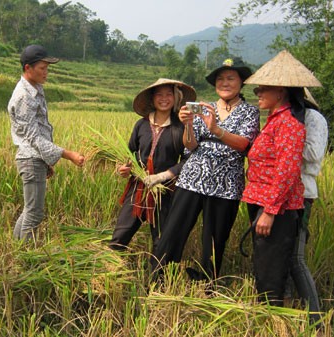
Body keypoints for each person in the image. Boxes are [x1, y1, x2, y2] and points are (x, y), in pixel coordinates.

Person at [152, 59, 260, 281]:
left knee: (214, 239)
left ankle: (205, 283)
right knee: (174, 230)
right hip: (193, 177)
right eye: (220, 79)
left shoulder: (250, 112)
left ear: (241, 82)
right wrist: (189, 124)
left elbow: (244, 145)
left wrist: (215, 129)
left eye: (231, 78)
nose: (225, 83)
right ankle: (159, 276)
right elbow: (190, 145)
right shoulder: (205, 108)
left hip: (226, 184)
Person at [241, 50, 322, 307]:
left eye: (263, 89)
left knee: (271, 272)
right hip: (262, 200)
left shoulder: (288, 124)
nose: (258, 94)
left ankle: (275, 319)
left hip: (274, 207)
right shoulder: (274, 120)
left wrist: (270, 210)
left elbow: (286, 172)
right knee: (265, 265)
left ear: (281, 92)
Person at [108, 78, 196, 252]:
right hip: (138, 187)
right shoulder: (141, 125)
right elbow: (130, 153)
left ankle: (158, 278)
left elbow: (189, 158)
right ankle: (110, 270)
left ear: (176, 98)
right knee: (120, 235)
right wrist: (123, 168)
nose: (164, 98)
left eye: (168, 94)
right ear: (152, 99)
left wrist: (163, 176)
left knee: (161, 240)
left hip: (165, 191)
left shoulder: (180, 127)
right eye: (159, 95)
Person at [8, 45, 85, 242]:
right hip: (30, 159)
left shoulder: (34, 89)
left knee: (30, 210)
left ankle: (17, 248)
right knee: (34, 213)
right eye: (42, 68)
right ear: (28, 68)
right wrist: (68, 154)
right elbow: (34, 138)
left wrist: (46, 161)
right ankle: (26, 255)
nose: (46, 73)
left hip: (36, 159)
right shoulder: (25, 96)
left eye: (46, 68)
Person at [285, 88, 328, 324]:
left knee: (296, 257)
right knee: (282, 254)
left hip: (301, 193)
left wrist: (287, 136)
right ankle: (288, 308)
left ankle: (316, 319)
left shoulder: (313, 119)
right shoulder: (282, 116)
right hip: (280, 193)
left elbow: (313, 152)